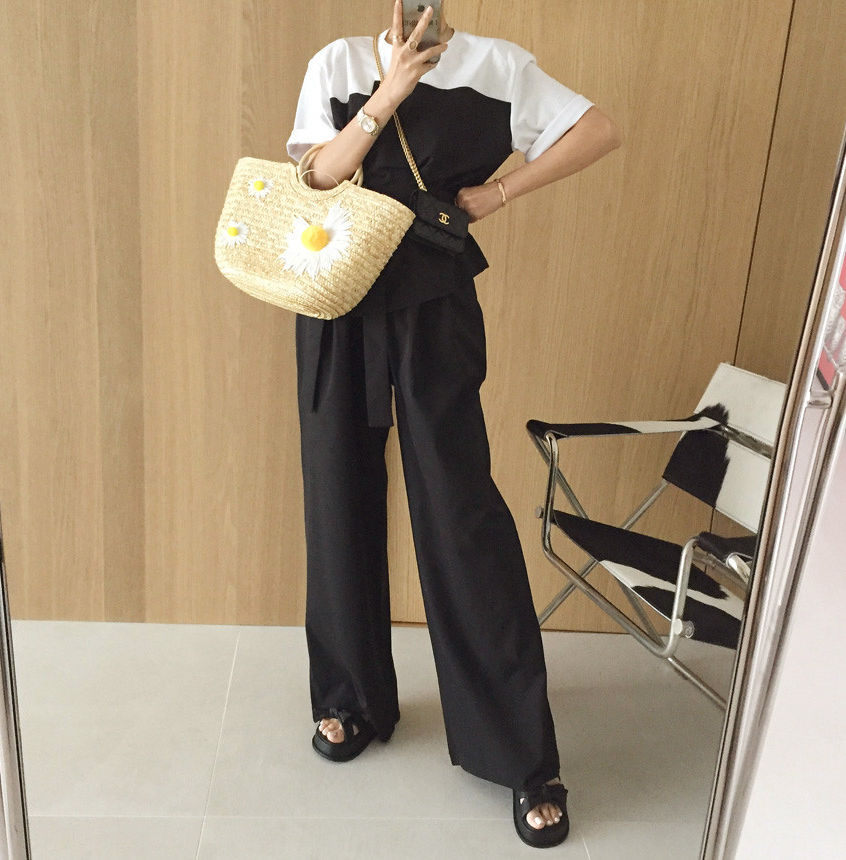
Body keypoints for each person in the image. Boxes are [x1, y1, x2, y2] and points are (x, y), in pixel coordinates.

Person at [285, 0, 620, 848]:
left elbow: (597, 130)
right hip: (336, 300)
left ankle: (520, 754)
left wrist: (500, 192)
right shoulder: (336, 63)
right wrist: (389, 91)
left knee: (459, 511)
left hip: (435, 301)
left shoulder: (497, 67)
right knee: (336, 495)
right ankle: (351, 698)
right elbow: (316, 179)